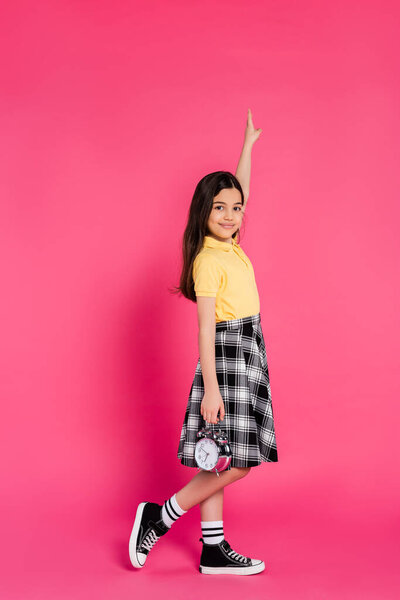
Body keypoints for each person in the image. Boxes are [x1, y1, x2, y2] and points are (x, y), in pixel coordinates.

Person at [129, 109, 278, 575]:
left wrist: (248, 147)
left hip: (249, 350)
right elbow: (204, 329)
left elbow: (243, 189)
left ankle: (212, 550)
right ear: (203, 212)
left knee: (216, 456)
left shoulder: (231, 244)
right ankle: (161, 515)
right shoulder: (208, 260)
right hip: (227, 355)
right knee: (237, 460)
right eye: (220, 207)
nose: (232, 214)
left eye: (236, 208)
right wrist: (211, 388)